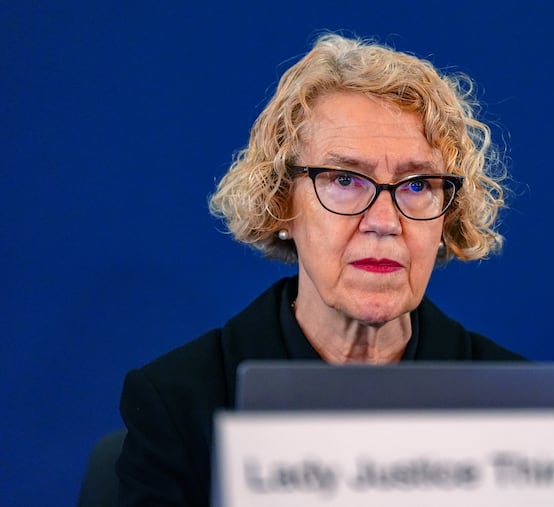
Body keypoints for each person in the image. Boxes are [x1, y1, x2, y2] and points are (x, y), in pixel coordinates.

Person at [115, 32, 525, 506]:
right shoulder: (181, 402)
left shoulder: (517, 404)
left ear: (447, 215)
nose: (384, 222)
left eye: (417, 185)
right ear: (281, 202)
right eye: (345, 180)